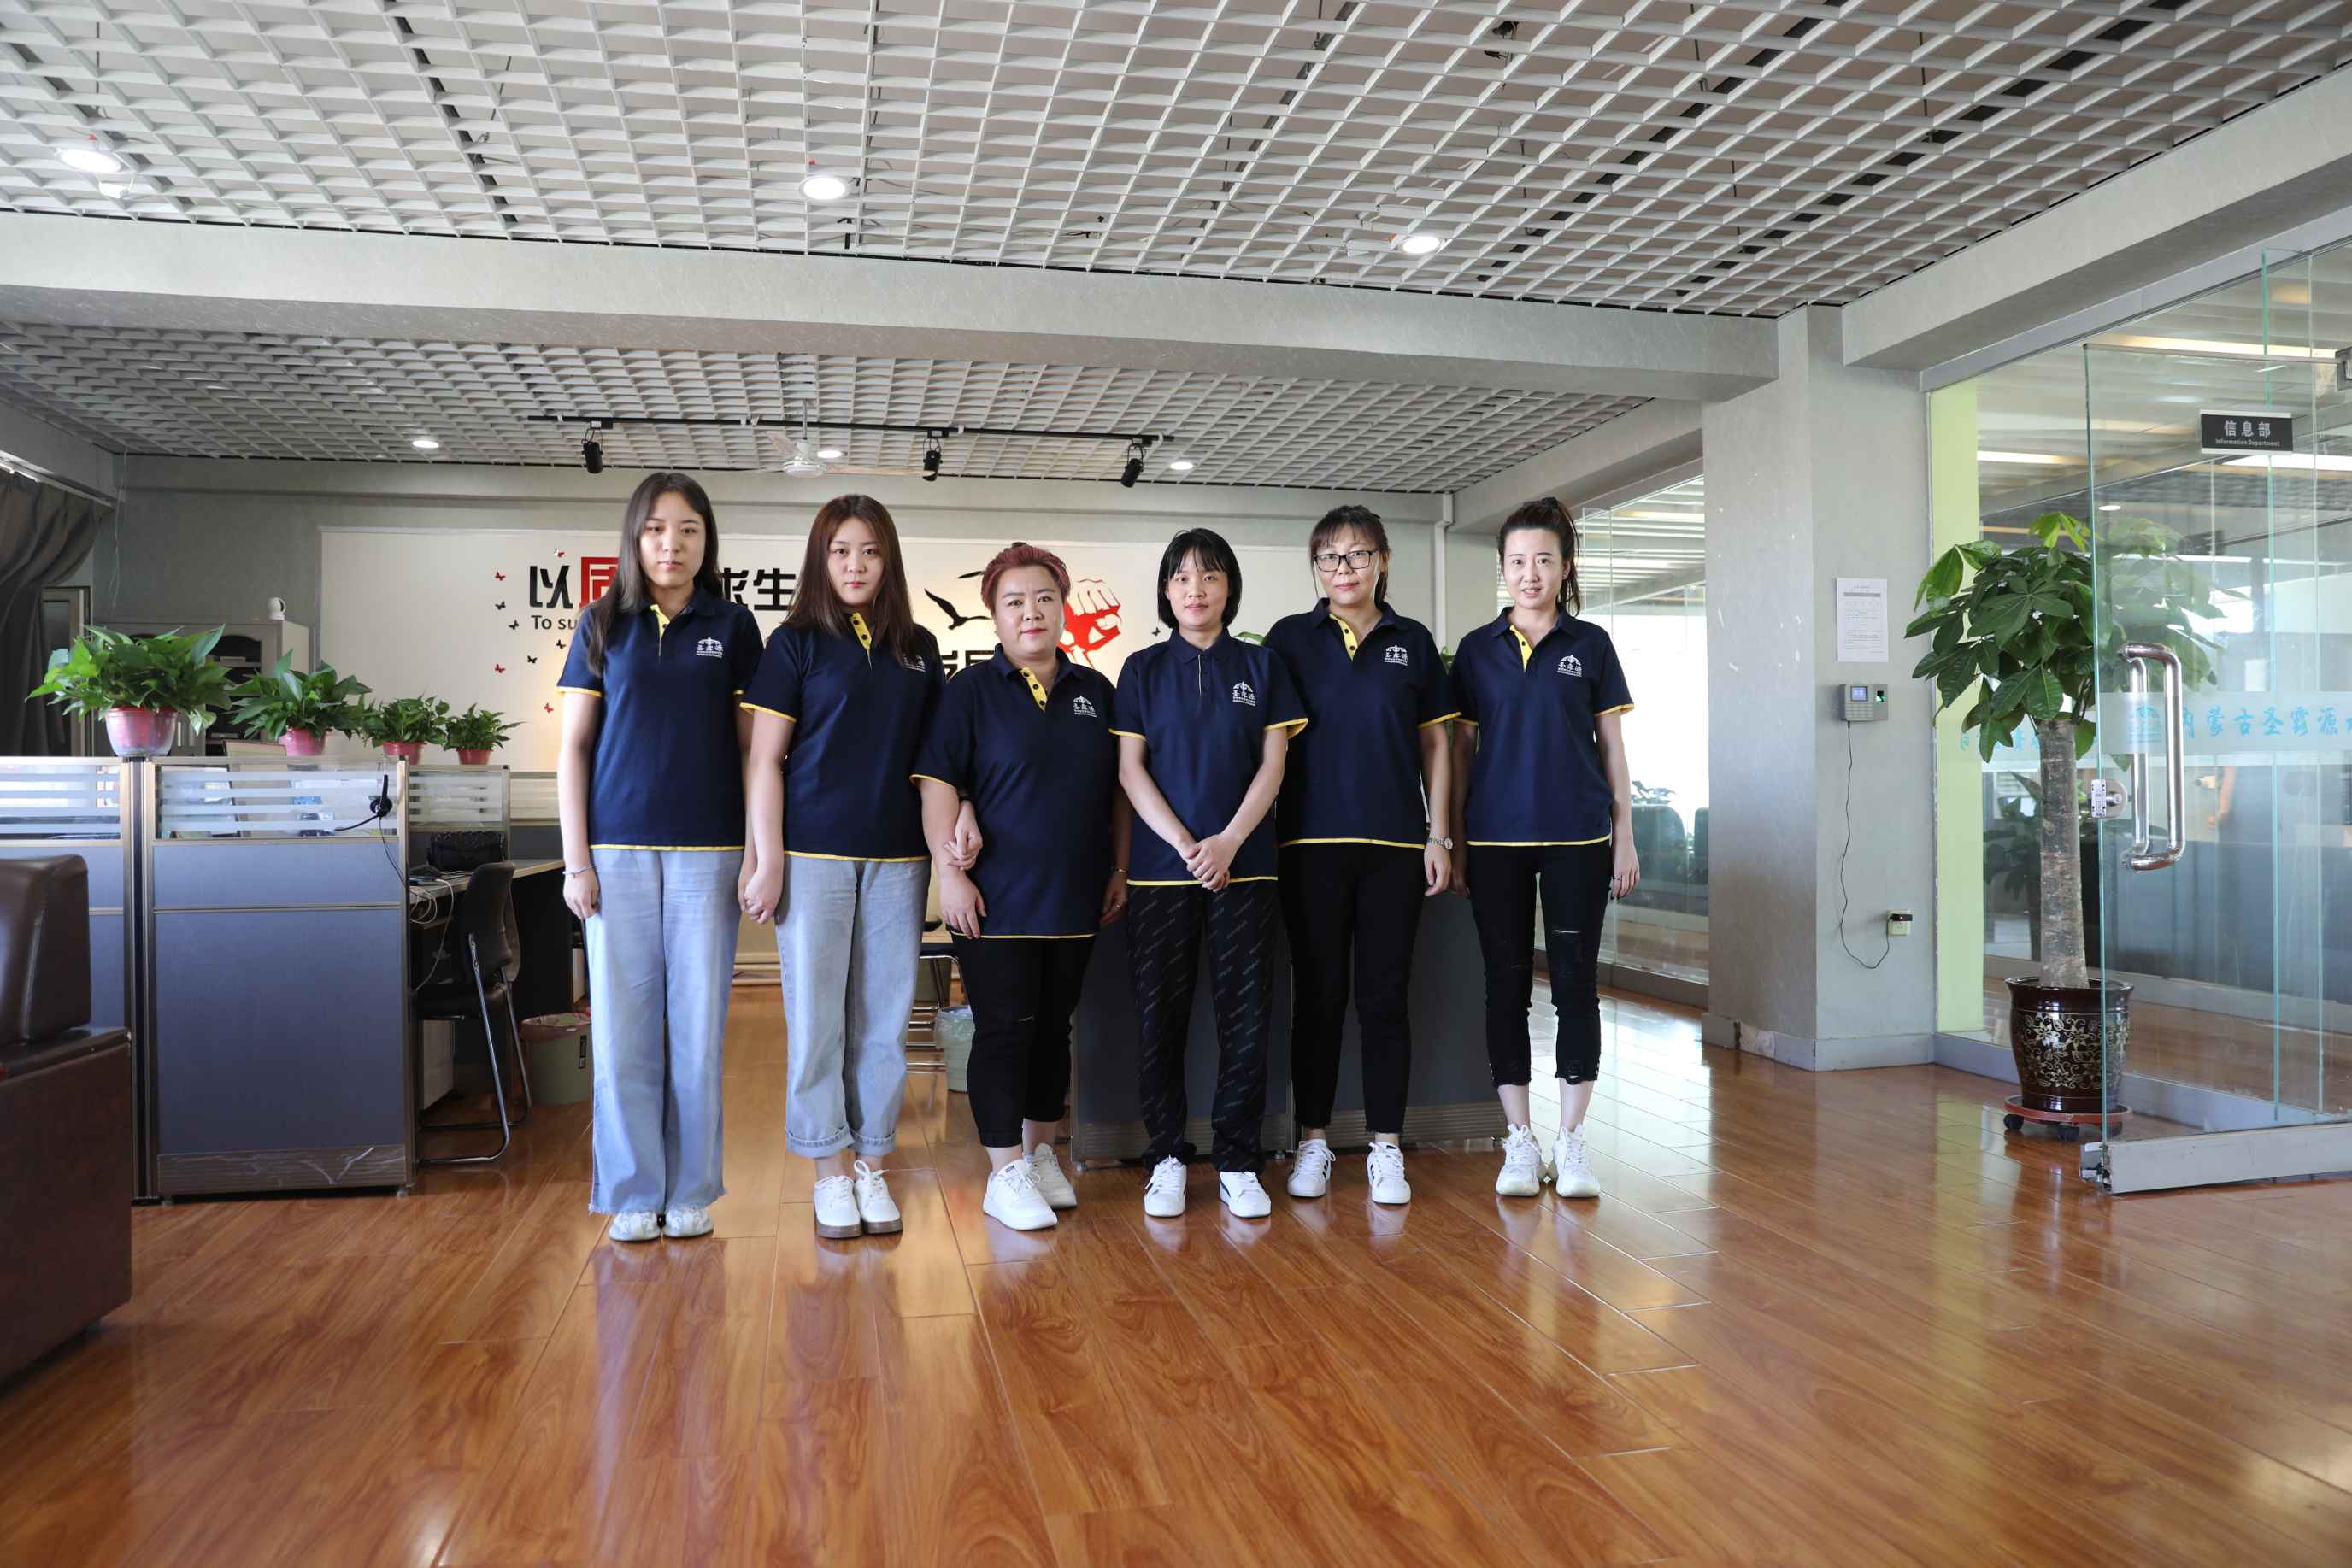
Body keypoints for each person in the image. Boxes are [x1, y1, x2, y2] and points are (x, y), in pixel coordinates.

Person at [556, 471, 762, 1243]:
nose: (671, 544)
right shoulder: (602, 621)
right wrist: (576, 862)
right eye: (655, 529)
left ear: (707, 541)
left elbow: (755, 752)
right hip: (616, 852)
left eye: (688, 530)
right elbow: (575, 749)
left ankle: (692, 1189)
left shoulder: (733, 625)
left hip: (711, 851)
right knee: (623, 1030)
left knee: (697, 1030)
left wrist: (758, 851)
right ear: (634, 538)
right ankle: (633, 1189)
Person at [741, 496, 944, 1241]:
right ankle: (829, 1167)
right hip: (813, 857)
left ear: (889, 560)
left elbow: (937, 761)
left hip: (899, 858)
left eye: (870, 551)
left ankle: (872, 1163)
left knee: (885, 1022)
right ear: (820, 559)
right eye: (840, 550)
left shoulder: (920, 647)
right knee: (818, 1022)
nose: (855, 565)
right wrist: (767, 859)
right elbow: (764, 761)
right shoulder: (793, 642)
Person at [913, 543, 1131, 1231]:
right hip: (994, 898)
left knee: (1052, 1032)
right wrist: (950, 875)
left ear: (1063, 607)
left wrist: (1119, 868)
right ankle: (1003, 1169)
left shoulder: (1095, 691)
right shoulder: (970, 691)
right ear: (995, 615)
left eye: (1043, 598)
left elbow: (1119, 789)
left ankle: (1039, 1156)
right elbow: (938, 783)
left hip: (1076, 893)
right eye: (1014, 601)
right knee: (1004, 1030)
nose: (1030, 611)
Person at [1448, 496, 1639, 1201]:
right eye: (1518, 561)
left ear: (1565, 566)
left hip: (1579, 839)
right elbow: (1460, 752)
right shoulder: (1476, 650)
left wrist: (1624, 832)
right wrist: (1456, 839)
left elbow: (1612, 746)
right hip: (1494, 840)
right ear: (1503, 568)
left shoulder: (1592, 645)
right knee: (1505, 987)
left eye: (1544, 560)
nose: (1530, 574)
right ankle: (1520, 1140)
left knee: (1575, 984)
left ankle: (1572, 1139)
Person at [1264, 506, 1454, 1207]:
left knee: (1385, 999)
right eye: (1329, 557)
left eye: (1357, 554)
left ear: (1383, 560)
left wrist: (1439, 834)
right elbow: (1266, 745)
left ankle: (1385, 1146)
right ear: (1315, 567)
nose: (1343, 569)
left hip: (1396, 847)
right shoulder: (1289, 639)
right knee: (1317, 998)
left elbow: (1435, 744)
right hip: (1309, 845)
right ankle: (1312, 1141)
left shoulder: (1413, 640)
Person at [1114, 528, 1307, 1219]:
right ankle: (1166, 1157)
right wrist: (1186, 843)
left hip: (1245, 872)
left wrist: (1227, 842)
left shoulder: (1263, 664)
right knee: (1158, 1022)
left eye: (1210, 576)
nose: (1195, 589)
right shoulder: (1140, 669)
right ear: (1166, 591)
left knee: (1246, 1022)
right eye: (1182, 577)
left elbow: (1274, 765)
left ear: (1230, 588)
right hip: (1160, 877)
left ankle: (1238, 1160)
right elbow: (1130, 769)